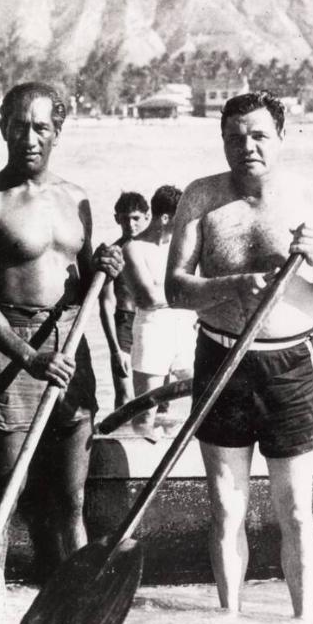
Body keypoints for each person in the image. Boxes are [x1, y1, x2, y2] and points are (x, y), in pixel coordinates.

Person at [165, 92, 313, 619]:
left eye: (258, 135)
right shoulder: (201, 197)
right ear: (223, 141)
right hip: (221, 359)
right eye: (235, 137)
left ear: (281, 137)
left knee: (297, 511)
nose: (247, 146)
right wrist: (232, 286)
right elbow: (175, 289)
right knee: (226, 509)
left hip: (290, 366)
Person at [0, 82, 123, 573]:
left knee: (71, 500)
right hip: (13, 357)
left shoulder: (77, 199)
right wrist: (30, 357)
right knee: (4, 501)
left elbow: (88, 279)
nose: (30, 137)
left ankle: (74, 614)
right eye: (20, 126)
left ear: (58, 132)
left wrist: (107, 266)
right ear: (2, 127)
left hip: (71, 347)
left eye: (42, 127)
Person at [123, 185, 196, 443]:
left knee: (203, 395)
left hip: (185, 327)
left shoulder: (181, 248)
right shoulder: (133, 248)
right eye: (181, 219)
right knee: (146, 410)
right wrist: (185, 294)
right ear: (165, 218)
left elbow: (196, 288)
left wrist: (184, 294)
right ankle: (142, 458)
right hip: (152, 330)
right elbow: (148, 298)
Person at [99, 191, 149, 409]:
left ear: (147, 217)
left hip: (152, 323)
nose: (131, 224)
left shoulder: (155, 250)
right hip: (125, 324)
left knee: (155, 395)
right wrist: (115, 350)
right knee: (125, 395)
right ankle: (122, 439)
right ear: (117, 218)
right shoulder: (113, 254)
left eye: (136, 218)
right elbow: (106, 304)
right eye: (125, 218)